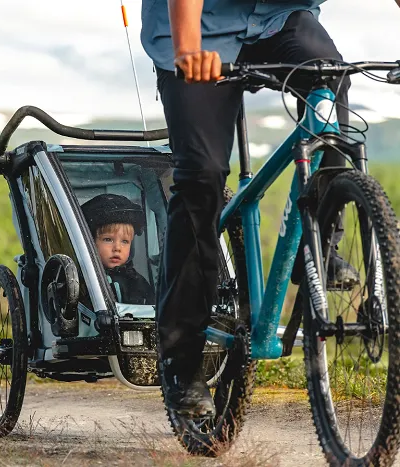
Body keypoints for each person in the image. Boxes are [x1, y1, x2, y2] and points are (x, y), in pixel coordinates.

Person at [139, 1, 373, 417]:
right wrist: (188, 47)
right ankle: (183, 360)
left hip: (278, 20)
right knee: (201, 177)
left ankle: (318, 247)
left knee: (330, 80)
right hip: (198, 29)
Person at [81, 194, 156, 305]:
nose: (117, 248)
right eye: (108, 239)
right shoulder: (84, 282)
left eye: (125, 241)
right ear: (91, 242)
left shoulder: (137, 283)